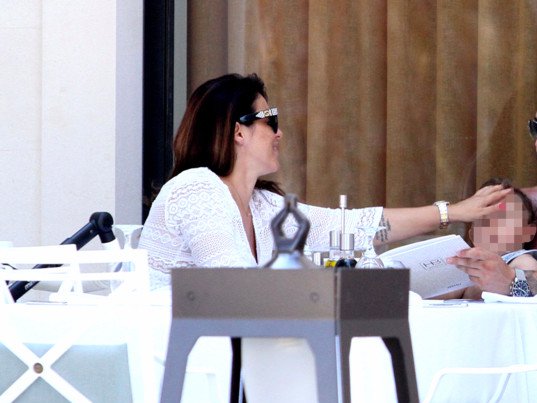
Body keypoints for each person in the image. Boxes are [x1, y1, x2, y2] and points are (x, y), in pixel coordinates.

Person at [138, 73, 510, 291]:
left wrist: (452, 212)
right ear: (239, 132)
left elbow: (351, 226)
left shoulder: (261, 205)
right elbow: (235, 285)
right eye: (271, 120)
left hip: (235, 356)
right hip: (181, 364)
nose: (280, 133)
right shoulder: (196, 189)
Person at [442, 178, 537, 299]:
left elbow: (532, 286)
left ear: (528, 232)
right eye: (484, 220)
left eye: (503, 218)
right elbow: (439, 295)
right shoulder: (465, 268)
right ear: (472, 235)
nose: (492, 225)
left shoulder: (521, 261)